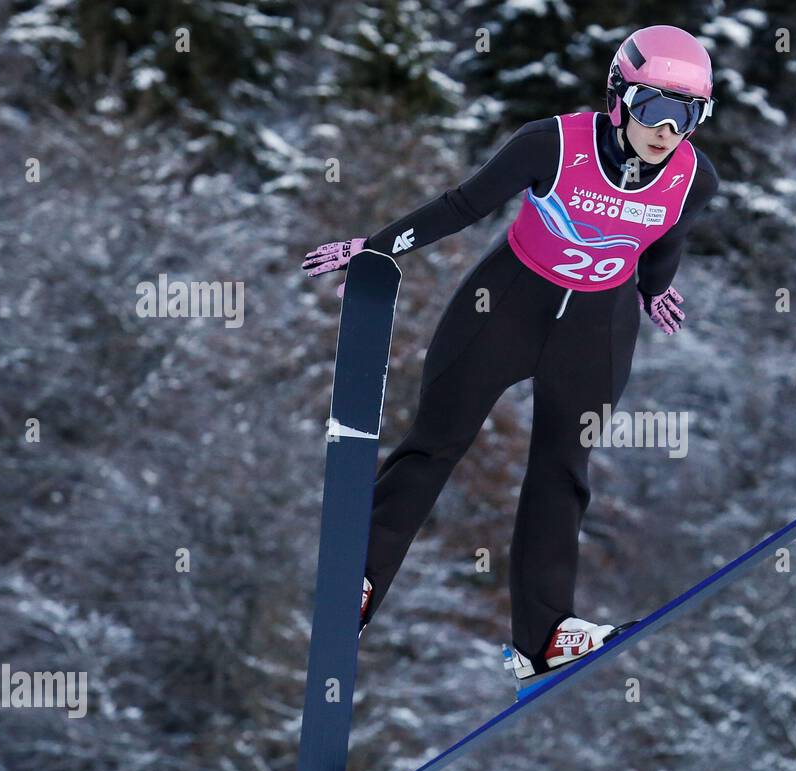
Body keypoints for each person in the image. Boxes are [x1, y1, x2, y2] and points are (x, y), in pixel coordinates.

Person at [302, 25, 720, 682]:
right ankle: (357, 582)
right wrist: (380, 246)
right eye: (654, 108)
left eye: (687, 115)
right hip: (503, 307)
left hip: (597, 328)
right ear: (619, 96)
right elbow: (463, 204)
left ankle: (546, 635)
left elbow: (666, 239)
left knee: (564, 472)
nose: (667, 130)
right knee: (436, 444)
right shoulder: (552, 144)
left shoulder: (695, 178)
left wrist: (656, 288)